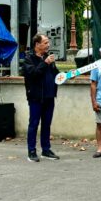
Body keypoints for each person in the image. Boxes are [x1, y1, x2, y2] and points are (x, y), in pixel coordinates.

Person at [23, 33, 60, 162]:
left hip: (49, 97)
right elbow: (33, 74)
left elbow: (56, 74)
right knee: (33, 124)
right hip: (36, 98)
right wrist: (45, 63)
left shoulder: (48, 58)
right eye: (45, 42)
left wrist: (65, 76)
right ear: (37, 44)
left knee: (47, 124)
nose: (48, 45)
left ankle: (46, 150)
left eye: (48, 42)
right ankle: (31, 151)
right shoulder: (29, 59)